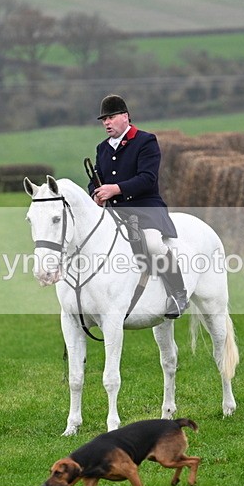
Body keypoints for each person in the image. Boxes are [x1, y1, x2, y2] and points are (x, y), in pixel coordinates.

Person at [89, 95, 189, 319]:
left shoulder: (145, 141)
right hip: (114, 213)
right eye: (104, 119)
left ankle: (178, 293)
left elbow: (147, 178)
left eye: (111, 117)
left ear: (125, 116)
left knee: (153, 244)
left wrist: (115, 189)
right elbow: (96, 180)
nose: (107, 123)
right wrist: (96, 194)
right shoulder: (102, 148)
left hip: (145, 208)